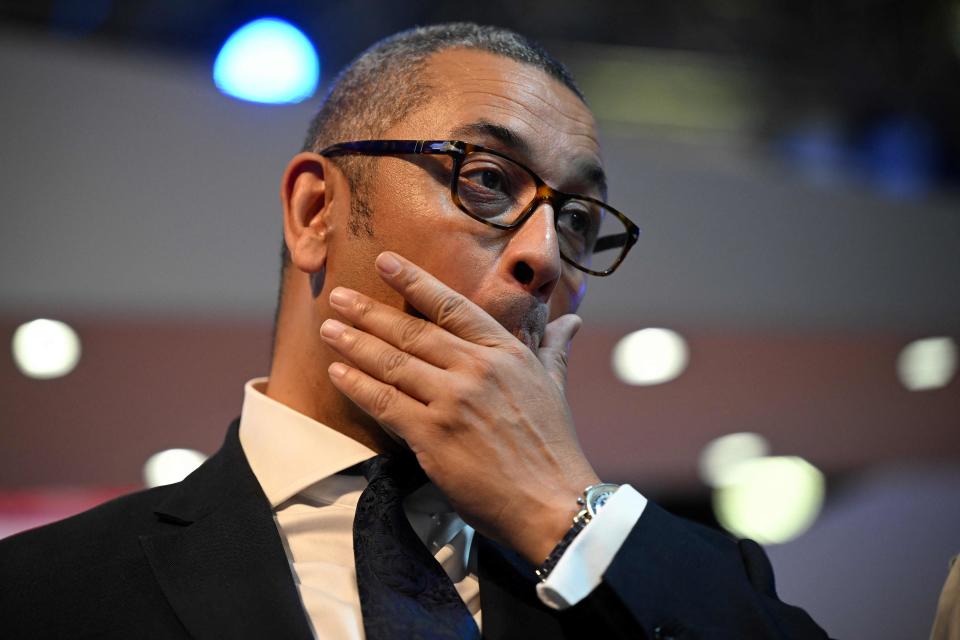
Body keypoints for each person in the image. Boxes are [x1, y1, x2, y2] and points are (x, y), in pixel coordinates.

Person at [0, 23, 830, 639]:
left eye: (577, 218)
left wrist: (563, 513)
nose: (545, 256)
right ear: (316, 212)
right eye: (486, 180)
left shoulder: (693, 580)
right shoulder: (43, 593)